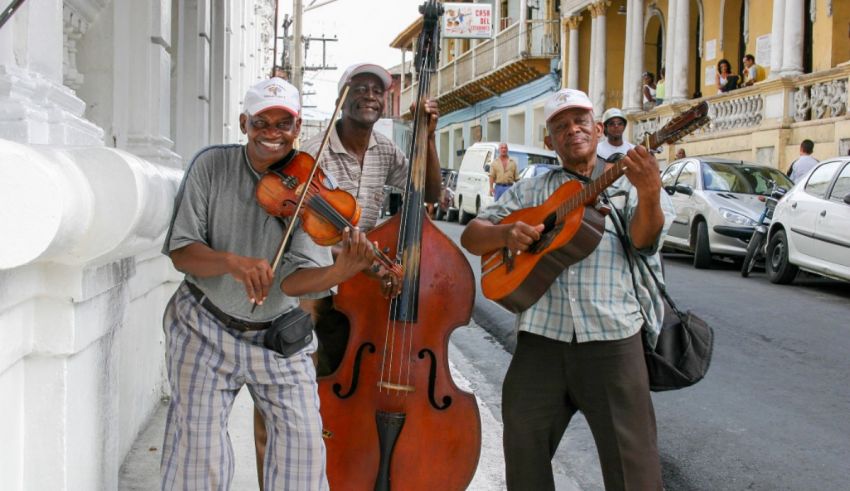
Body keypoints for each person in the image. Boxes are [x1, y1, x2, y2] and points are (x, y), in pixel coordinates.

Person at [160, 77, 378, 490]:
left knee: (304, 451)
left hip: (278, 333)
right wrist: (231, 262)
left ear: (297, 129)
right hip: (204, 325)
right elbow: (181, 252)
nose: (273, 133)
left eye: (284, 124)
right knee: (198, 454)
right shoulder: (211, 166)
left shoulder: (310, 184)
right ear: (245, 123)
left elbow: (296, 283)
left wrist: (339, 272)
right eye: (262, 122)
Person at [460, 88, 675, 490]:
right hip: (541, 341)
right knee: (524, 453)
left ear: (596, 131)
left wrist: (649, 193)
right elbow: (473, 236)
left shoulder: (626, 181)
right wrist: (506, 233)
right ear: (550, 142)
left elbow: (645, 241)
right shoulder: (531, 191)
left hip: (612, 339)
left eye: (580, 122)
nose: (572, 130)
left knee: (635, 471)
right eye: (561, 126)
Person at [252, 63, 442, 482]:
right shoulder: (312, 152)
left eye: (378, 89)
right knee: (289, 394)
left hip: (360, 288)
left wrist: (426, 135)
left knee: (341, 395)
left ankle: (336, 475)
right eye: (361, 87)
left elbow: (428, 193)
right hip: (310, 288)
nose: (370, 95)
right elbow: (275, 206)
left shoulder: (386, 151)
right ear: (343, 96)